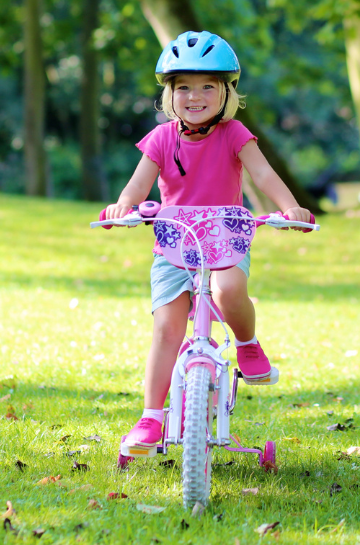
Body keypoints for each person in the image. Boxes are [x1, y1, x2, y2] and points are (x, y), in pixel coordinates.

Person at [105, 30, 312, 450]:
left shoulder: (234, 133)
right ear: (169, 94)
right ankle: (150, 417)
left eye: (206, 87)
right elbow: (137, 185)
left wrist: (290, 207)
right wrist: (122, 206)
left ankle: (248, 343)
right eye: (183, 87)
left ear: (226, 93)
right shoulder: (162, 138)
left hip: (224, 238)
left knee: (230, 288)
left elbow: (263, 174)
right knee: (166, 328)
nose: (194, 96)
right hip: (174, 241)